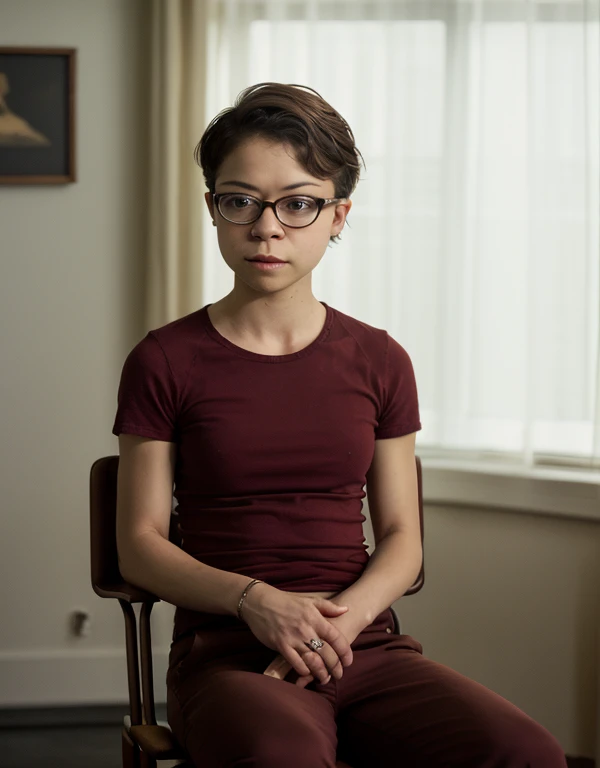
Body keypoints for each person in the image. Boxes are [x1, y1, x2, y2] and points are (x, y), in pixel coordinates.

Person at [112, 82, 566, 768]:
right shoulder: (164, 359)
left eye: (298, 204)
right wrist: (258, 603)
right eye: (241, 200)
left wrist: (341, 623)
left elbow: (402, 540)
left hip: (361, 645)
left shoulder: (380, 359)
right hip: (230, 660)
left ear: (338, 216)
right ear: (214, 209)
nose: (267, 227)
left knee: (525, 753)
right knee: (283, 754)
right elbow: (140, 546)